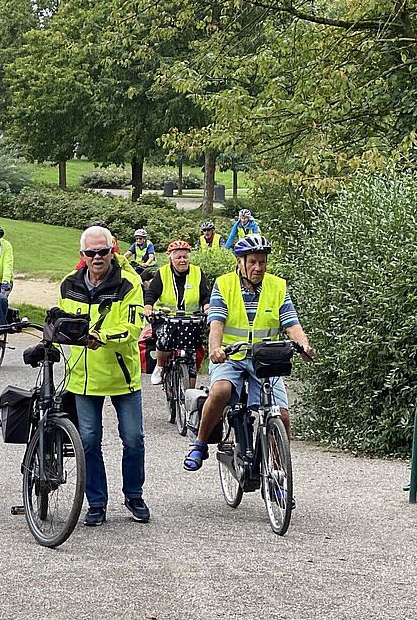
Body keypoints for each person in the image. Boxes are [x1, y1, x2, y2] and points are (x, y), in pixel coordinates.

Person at [183, 234, 316, 472]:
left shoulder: (277, 286)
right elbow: (216, 324)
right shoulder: (224, 285)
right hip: (231, 356)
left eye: (262, 262)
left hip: (265, 359)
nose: (258, 268)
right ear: (240, 262)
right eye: (253, 262)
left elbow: (292, 324)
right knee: (221, 390)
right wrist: (215, 349)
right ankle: (200, 444)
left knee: (282, 415)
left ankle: (278, 473)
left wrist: (303, 344)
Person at [59, 224, 150, 525]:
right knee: (88, 441)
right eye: (91, 252)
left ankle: (134, 495)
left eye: (103, 251)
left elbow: (134, 326)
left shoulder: (129, 282)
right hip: (83, 377)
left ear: (113, 250)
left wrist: (101, 336)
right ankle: (96, 502)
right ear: (82, 254)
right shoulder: (68, 284)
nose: (97, 257)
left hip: (122, 376)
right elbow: (62, 322)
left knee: (133, 438)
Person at [143, 240, 211, 392]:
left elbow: (206, 295)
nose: (182, 260)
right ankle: (160, 366)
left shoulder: (197, 272)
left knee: (191, 354)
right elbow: (151, 293)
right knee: (164, 339)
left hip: (190, 320)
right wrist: (148, 308)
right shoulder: (163, 273)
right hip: (165, 318)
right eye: (178, 257)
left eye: (185, 257)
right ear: (171, 259)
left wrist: (207, 307)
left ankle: (190, 395)